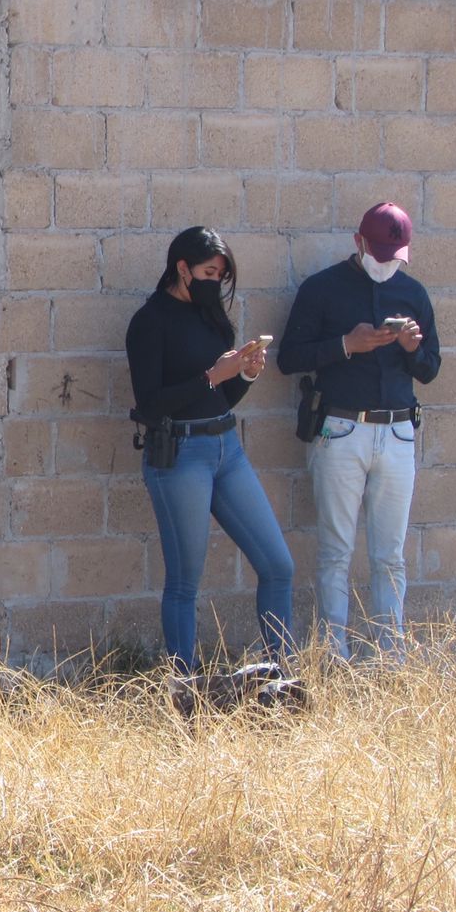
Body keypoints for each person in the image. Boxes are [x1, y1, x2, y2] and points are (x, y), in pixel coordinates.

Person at [125, 226, 295, 676]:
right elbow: (149, 403)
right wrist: (211, 377)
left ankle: (283, 677)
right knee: (185, 583)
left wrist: (245, 374)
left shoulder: (211, 314)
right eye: (207, 271)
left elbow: (220, 398)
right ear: (181, 268)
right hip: (179, 456)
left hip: (226, 448)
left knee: (278, 565)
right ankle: (186, 687)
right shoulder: (149, 321)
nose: (214, 282)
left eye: (220, 274)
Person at [278, 202, 441, 661]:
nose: (386, 263)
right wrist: (347, 345)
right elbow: (290, 358)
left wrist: (411, 348)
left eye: (395, 255)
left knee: (390, 555)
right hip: (342, 429)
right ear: (359, 243)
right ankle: (334, 653)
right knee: (336, 551)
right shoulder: (322, 290)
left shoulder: (413, 293)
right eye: (379, 252)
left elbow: (430, 369)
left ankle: (391, 656)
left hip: (398, 433)